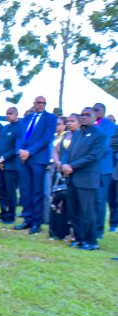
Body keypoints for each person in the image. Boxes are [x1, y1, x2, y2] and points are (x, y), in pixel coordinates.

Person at [61, 107, 105, 250]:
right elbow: (69, 152)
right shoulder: (77, 134)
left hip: (87, 179)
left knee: (87, 212)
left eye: (88, 115)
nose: (84, 117)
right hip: (72, 178)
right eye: (82, 115)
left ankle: (91, 241)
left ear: (94, 117)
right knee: (73, 211)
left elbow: (93, 157)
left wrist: (72, 166)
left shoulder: (99, 135)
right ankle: (79, 238)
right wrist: (65, 164)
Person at [14, 96, 57, 234]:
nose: (41, 105)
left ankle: (36, 222)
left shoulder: (50, 118)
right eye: (38, 102)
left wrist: (29, 151)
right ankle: (27, 218)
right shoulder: (27, 118)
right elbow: (19, 137)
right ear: (34, 103)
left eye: (43, 103)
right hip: (24, 159)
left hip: (38, 159)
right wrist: (20, 150)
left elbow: (46, 139)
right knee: (25, 190)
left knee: (37, 191)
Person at [93, 103, 117, 236]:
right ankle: (91, 226)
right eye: (93, 109)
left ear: (103, 111)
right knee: (91, 199)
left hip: (104, 168)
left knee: (101, 199)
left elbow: (107, 146)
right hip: (90, 168)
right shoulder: (91, 124)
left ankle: (99, 229)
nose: (94, 112)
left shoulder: (111, 127)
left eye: (96, 110)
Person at [0, 107, 21, 224]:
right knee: (0, 189)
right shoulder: (5, 128)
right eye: (6, 113)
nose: (8, 116)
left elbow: (16, 149)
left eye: (10, 113)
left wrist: (3, 159)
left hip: (11, 166)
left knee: (11, 191)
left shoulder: (20, 128)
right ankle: (3, 213)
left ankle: (11, 215)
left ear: (16, 114)